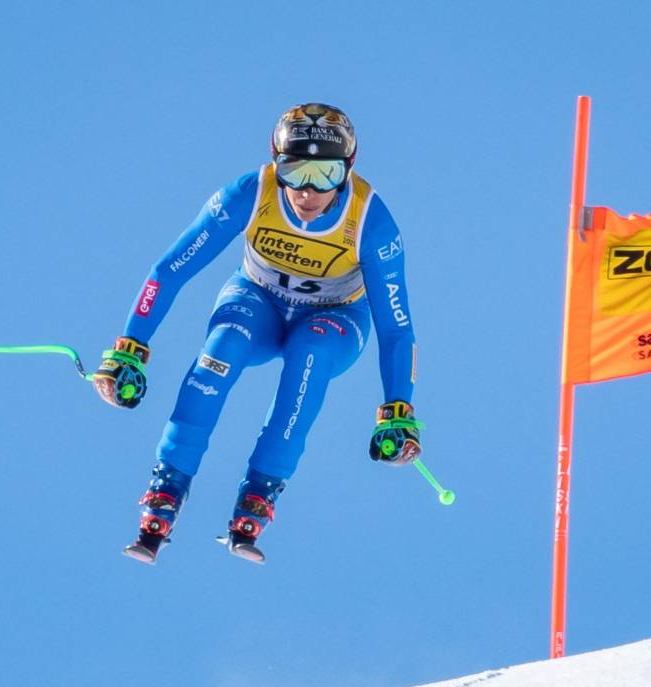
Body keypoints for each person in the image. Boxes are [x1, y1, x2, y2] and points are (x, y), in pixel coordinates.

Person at [93, 102, 420, 565]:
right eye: (295, 169)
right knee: (224, 345)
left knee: (310, 355)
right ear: (275, 161)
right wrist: (130, 346)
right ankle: (167, 486)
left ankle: (260, 492)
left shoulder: (371, 221)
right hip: (257, 302)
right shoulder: (251, 192)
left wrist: (398, 409)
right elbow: (168, 270)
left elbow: (397, 328)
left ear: (347, 169)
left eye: (325, 174)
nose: (307, 191)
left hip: (335, 318)